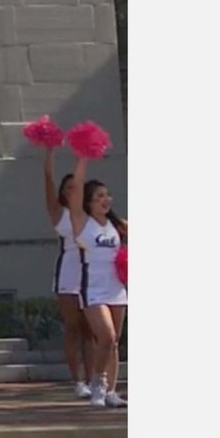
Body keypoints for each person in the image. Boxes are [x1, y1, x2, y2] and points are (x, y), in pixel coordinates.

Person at [63, 157, 127, 408]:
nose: (106, 199)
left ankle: (111, 390)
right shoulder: (82, 223)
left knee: (114, 342)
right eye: (99, 196)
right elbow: (77, 187)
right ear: (88, 202)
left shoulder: (116, 224)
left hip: (117, 288)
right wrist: (83, 158)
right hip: (93, 290)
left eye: (108, 195)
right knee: (106, 336)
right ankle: (97, 383)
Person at [40, 145, 96, 397]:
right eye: (68, 187)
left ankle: (96, 378)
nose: (73, 190)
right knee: (73, 327)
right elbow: (48, 180)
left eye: (78, 187)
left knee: (92, 329)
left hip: (92, 272)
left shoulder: (92, 214)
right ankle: (78, 381)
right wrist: (50, 152)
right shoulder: (59, 213)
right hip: (67, 272)